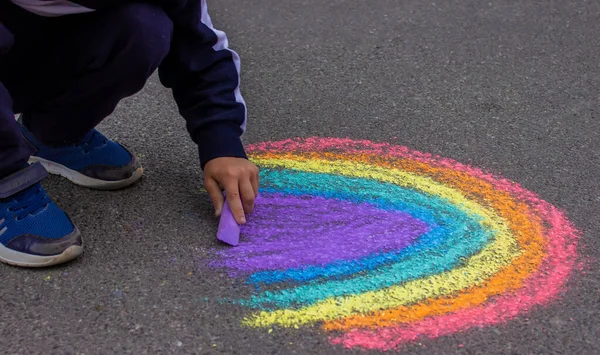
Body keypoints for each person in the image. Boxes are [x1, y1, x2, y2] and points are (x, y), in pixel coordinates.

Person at [0, 0, 260, 268]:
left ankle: (53, 134)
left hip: (34, 44)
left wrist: (222, 143)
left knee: (144, 27)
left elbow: (197, 43)